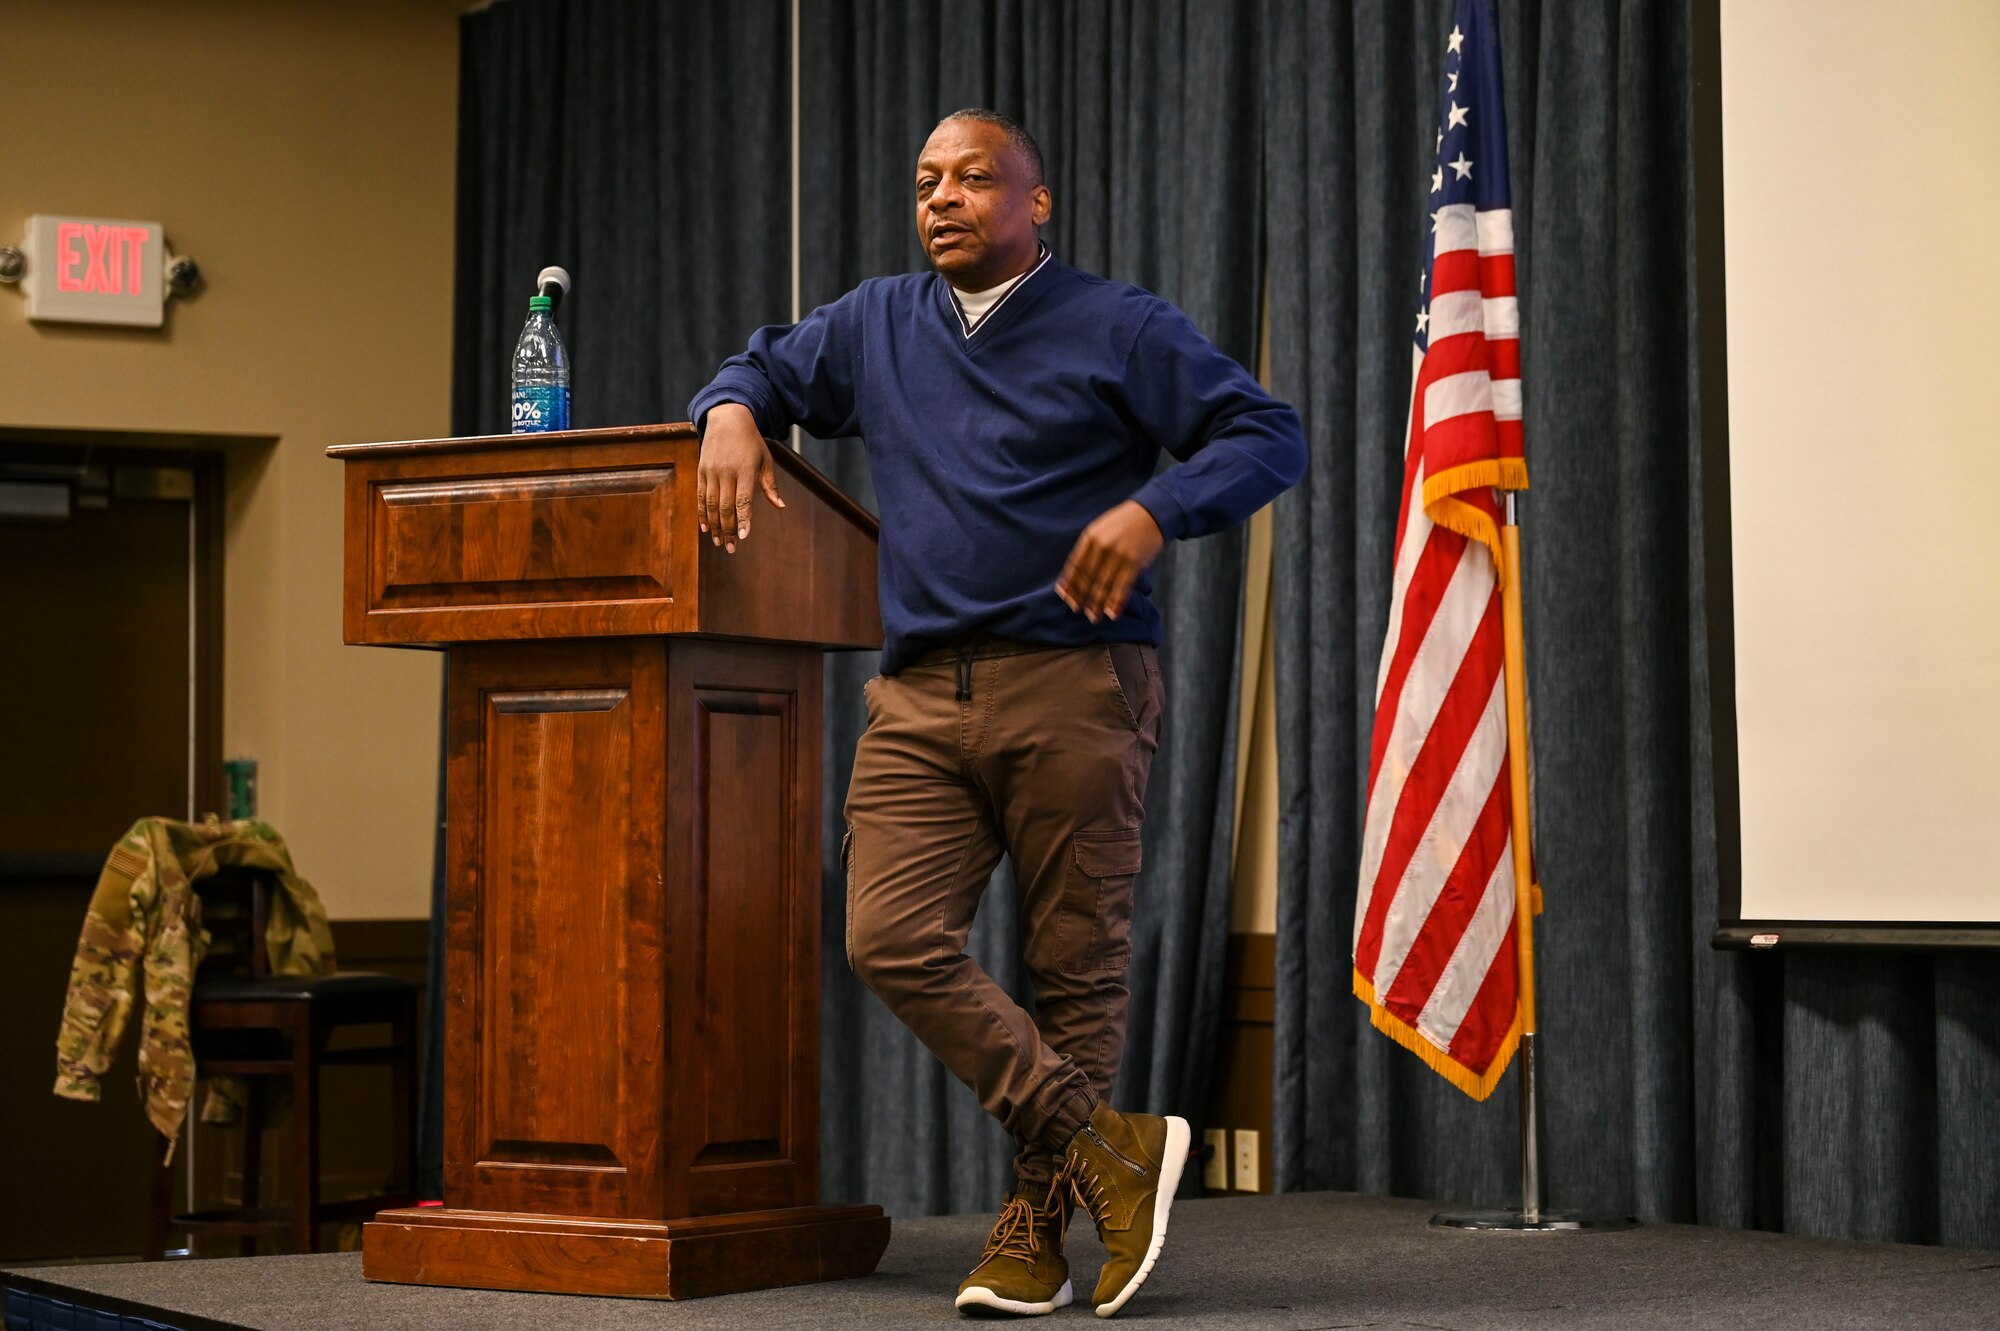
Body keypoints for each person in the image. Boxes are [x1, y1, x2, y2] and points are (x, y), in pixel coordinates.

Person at [689, 107, 1305, 1319]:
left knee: (1074, 971)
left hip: (1076, 679)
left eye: (975, 178)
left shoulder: (1114, 324)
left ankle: (1031, 1227)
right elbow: (761, 364)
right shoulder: (873, 323)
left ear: (1035, 204)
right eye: (926, 181)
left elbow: (1264, 433)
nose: (943, 199)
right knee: (886, 937)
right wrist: (729, 408)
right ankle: (1109, 1146)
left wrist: (1153, 511)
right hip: (919, 692)